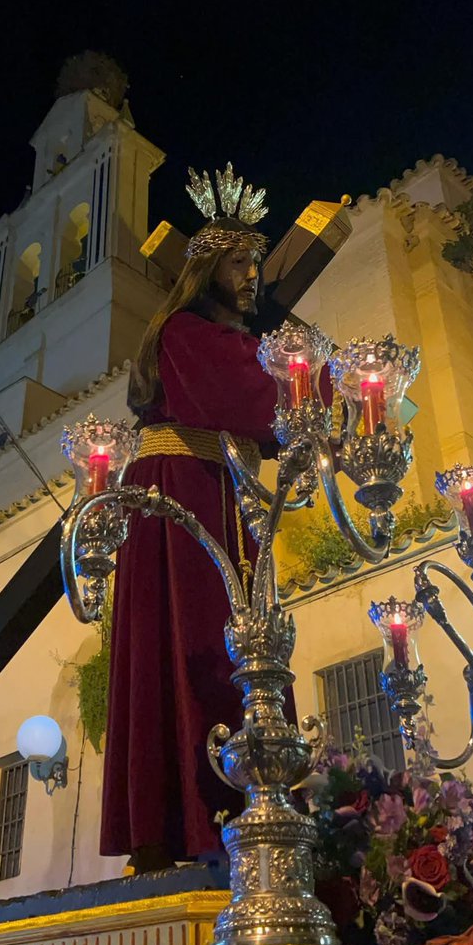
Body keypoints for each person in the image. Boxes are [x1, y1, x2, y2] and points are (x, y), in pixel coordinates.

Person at [100, 164, 332, 873]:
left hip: (218, 491)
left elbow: (264, 412)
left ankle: (253, 801)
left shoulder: (220, 338)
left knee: (238, 640)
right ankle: (193, 820)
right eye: (237, 262)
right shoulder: (185, 332)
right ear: (204, 271)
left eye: (256, 262)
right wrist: (328, 380)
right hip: (181, 498)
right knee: (197, 640)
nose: (252, 275)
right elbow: (246, 400)